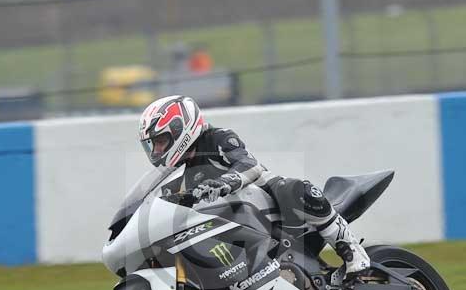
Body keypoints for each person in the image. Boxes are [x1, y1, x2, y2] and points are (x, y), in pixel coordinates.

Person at [138, 95, 370, 279]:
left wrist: (225, 182)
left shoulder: (218, 138)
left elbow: (249, 164)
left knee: (293, 189)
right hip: (224, 229)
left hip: (266, 205)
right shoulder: (174, 173)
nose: (157, 151)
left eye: (160, 142)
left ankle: (351, 251)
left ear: (181, 129)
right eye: (153, 145)